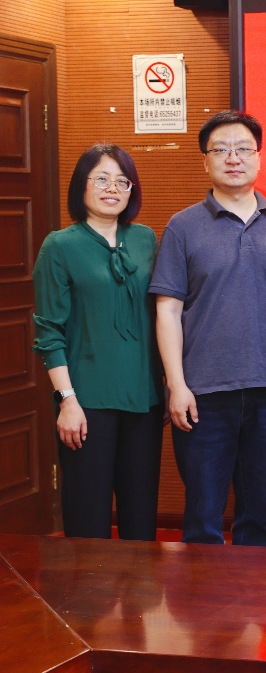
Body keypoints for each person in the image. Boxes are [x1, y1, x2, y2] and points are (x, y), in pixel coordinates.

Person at [150, 110, 266, 546]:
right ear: (205, 161)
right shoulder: (183, 227)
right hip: (203, 393)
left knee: (261, 516)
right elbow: (167, 311)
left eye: (243, 148)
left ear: (259, 157)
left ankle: (255, 592)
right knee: (203, 517)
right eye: (220, 150)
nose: (233, 158)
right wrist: (176, 385)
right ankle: (203, 593)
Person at [32, 143, 162, 539]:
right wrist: (67, 401)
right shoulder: (60, 245)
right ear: (81, 186)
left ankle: (138, 582)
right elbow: (48, 332)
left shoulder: (145, 239)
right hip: (86, 403)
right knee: (87, 520)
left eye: (122, 181)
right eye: (101, 179)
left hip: (144, 399)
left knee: (141, 519)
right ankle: (87, 585)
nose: (112, 188)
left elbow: (164, 314)